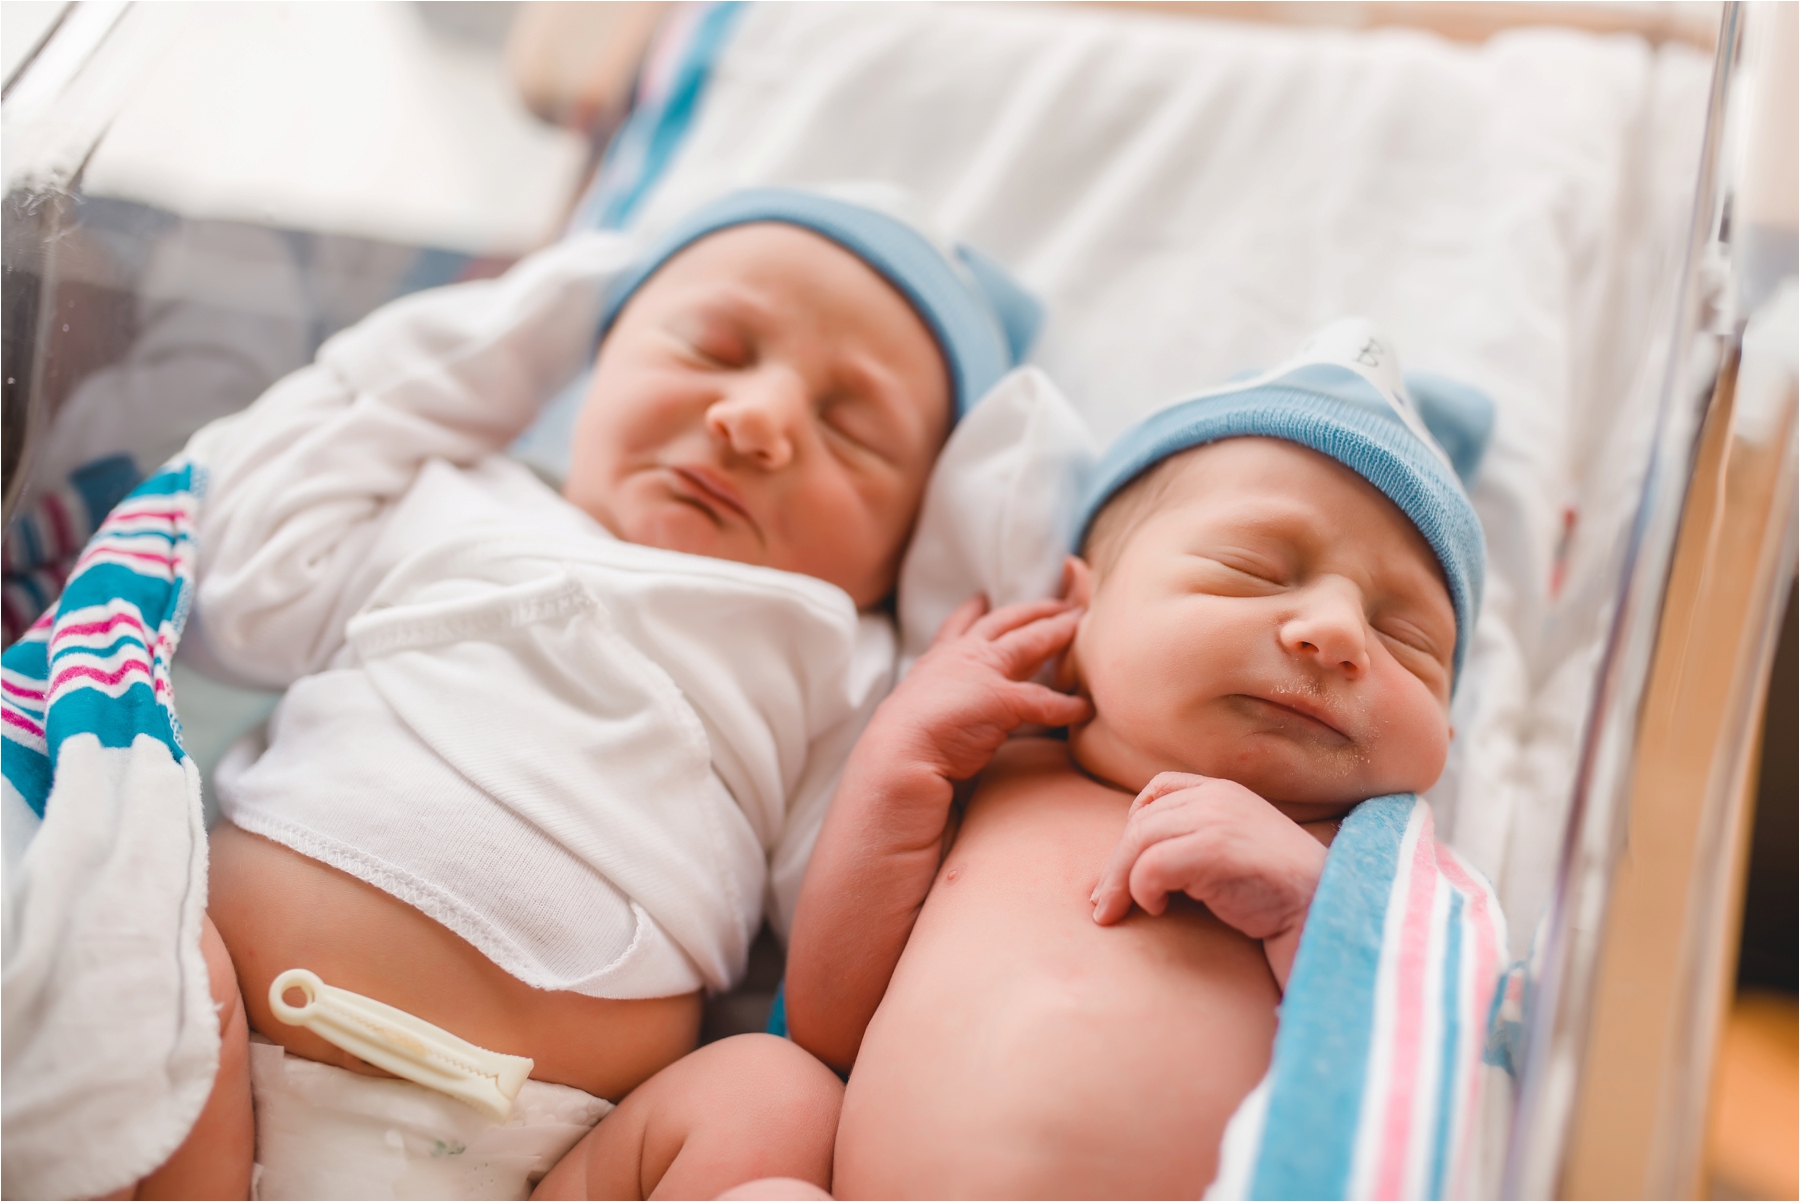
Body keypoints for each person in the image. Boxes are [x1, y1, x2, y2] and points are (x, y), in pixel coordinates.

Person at [134, 187, 1038, 1200]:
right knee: (116, 914)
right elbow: (239, 585)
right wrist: (518, 328)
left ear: (910, 541)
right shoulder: (452, 494)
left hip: (543, 1155)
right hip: (214, 1060)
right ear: (591, 360)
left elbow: (839, 989)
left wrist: (913, 747)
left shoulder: (841, 659)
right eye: (711, 348)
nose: (755, 420)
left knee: (778, 1092)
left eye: (852, 429)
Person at [782, 322, 1488, 1198]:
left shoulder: (1375, 875)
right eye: (1253, 570)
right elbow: (826, 1027)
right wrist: (897, 762)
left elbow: (1422, 1060)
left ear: (1445, 740)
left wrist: (1312, 912)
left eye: (1406, 638)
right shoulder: (995, 778)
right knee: (757, 1092)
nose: (1340, 633)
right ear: (1077, 616)